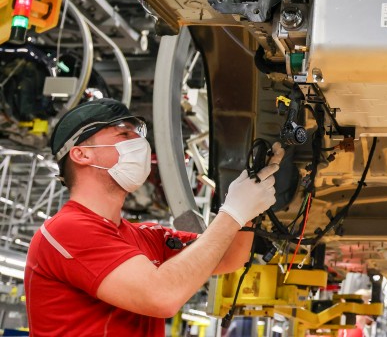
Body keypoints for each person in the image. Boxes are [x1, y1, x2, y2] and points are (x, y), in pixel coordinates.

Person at [25, 98, 284, 336]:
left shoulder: (145, 237)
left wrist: (248, 202)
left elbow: (228, 256)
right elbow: (162, 295)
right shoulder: (67, 230)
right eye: (124, 134)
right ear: (81, 154)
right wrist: (233, 212)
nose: (138, 144)